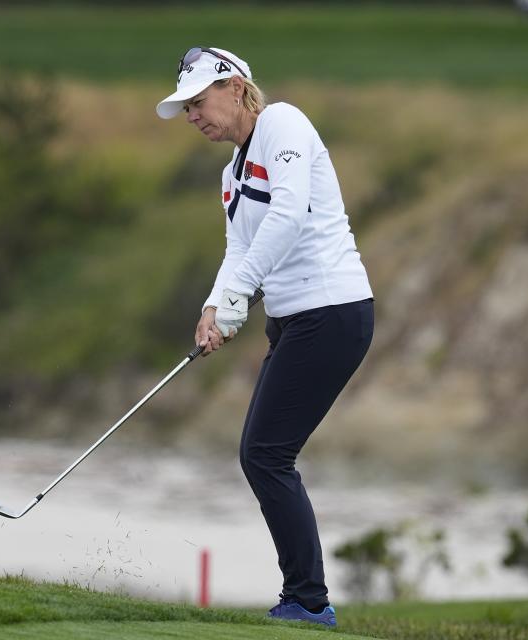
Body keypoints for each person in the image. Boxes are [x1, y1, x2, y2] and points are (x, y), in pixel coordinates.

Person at [156, 47, 374, 627]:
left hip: (333, 308)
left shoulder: (284, 123)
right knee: (265, 454)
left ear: (234, 88)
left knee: (265, 454)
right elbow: (240, 250)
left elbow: (289, 215)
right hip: (294, 318)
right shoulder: (231, 175)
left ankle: (307, 601)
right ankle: (304, 597)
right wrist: (215, 306)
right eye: (185, 109)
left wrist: (236, 296)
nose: (192, 116)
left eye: (198, 102)